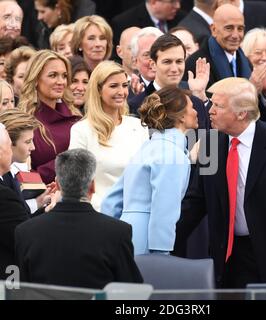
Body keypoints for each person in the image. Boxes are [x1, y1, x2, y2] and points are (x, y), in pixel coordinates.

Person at [174, 77, 266, 288]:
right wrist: (164, 243)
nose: (210, 111)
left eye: (218, 105)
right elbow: (195, 202)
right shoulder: (210, 146)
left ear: (242, 113)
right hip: (232, 258)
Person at [15, 148, 143, 289]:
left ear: (57, 184)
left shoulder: (26, 232)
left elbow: (21, 289)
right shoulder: (118, 232)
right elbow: (131, 289)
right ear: (92, 186)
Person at [101, 86, 198, 255]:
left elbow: (110, 202)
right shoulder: (173, 154)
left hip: (124, 237)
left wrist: (110, 238)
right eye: (192, 107)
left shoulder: (148, 147)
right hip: (147, 241)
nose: (196, 112)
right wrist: (161, 253)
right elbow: (164, 211)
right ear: (182, 116)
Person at [69, 61, 149, 211]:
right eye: (113, 86)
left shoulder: (138, 126)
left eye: (125, 85)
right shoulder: (81, 130)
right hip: (99, 214)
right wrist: (105, 208)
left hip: (136, 211)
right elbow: (77, 182)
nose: (121, 92)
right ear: (98, 90)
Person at [18, 49, 81, 184]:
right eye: (53, 75)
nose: (61, 82)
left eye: (64, 76)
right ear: (35, 79)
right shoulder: (23, 123)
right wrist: (67, 161)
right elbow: (21, 176)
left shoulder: (75, 117)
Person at [129, 33, 210, 131]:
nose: (174, 69)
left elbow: (208, 144)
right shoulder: (136, 105)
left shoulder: (196, 103)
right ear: (153, 64)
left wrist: (199, 94)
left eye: (179, 61)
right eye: (167, 62)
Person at [215, 0, 266, 67]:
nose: (235, 35)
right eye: (229, 28)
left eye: (240, 28)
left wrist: (265, 56)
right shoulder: (211, 18)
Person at [0, 108, 52, 214]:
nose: (33, 147)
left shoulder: (9, 174)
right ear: (8, 142)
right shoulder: (4, 183)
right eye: (27, 142)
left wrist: (39, 202)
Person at [0, 122, 28, 279]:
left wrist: (45, 210)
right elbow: (25, 237)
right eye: (10, 146)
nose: (12, 152)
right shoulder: (4, 196)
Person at [110, 0, 185, 47]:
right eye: (172, 1)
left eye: (179, 1)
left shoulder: (182, 18)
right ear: (154, 2)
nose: (178, 6)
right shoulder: (124, 23)